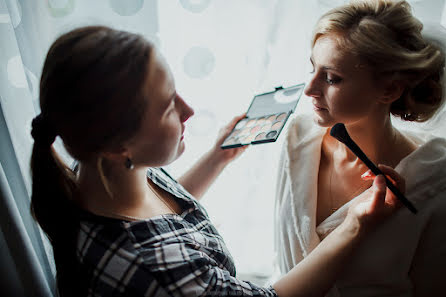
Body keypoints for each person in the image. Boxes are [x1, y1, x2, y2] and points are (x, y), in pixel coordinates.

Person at [30, 25, 402, 297]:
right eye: (166, 109)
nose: (188, 110)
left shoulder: (101, 173)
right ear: (117, 146)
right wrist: (354, 225)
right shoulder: (159, 274)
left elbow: (166, 217)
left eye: (174, 90)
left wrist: (217, 158)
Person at [274, 0, 446, 296]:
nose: (309, 89)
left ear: (389, 89)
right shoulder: (297, 140)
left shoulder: (434, 181)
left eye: (331, 78)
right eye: (312, 68)